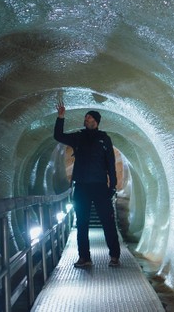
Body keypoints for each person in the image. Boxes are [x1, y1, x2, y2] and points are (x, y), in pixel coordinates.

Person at [54, 98, 122, 268]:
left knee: (107, 222)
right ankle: (84, 257)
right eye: (86, 118)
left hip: (100, 186)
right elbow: (58, 136)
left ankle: (114, 256)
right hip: (81, 186)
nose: (87, 119)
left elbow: (110, 163)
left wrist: (112, 186)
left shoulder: (104, 139)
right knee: (82, 223)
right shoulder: (79, 137)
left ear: (96, 121)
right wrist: (61, 117)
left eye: (90, 117)